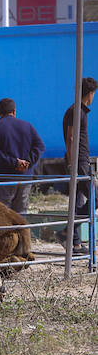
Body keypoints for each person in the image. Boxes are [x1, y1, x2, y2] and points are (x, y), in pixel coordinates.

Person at [59, 76, 98, 254]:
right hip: (80, 161)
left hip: (81, 160)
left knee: (77, 200)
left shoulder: (79, 111)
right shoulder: (76, 111)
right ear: (90, 93)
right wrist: (73, 163)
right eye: (94, 94)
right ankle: (68, 231)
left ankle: (74, 241)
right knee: (95, 196)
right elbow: (71, 137)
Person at [0, 98, 45, 214]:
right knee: (21, 212)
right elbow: (40, 146)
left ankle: (4, 233)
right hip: (25, 177)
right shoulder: (27, 126)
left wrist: (14, 163)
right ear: (14, 111)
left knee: (1, 213)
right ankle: (21, 232)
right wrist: (27, 162)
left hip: (4, 177)